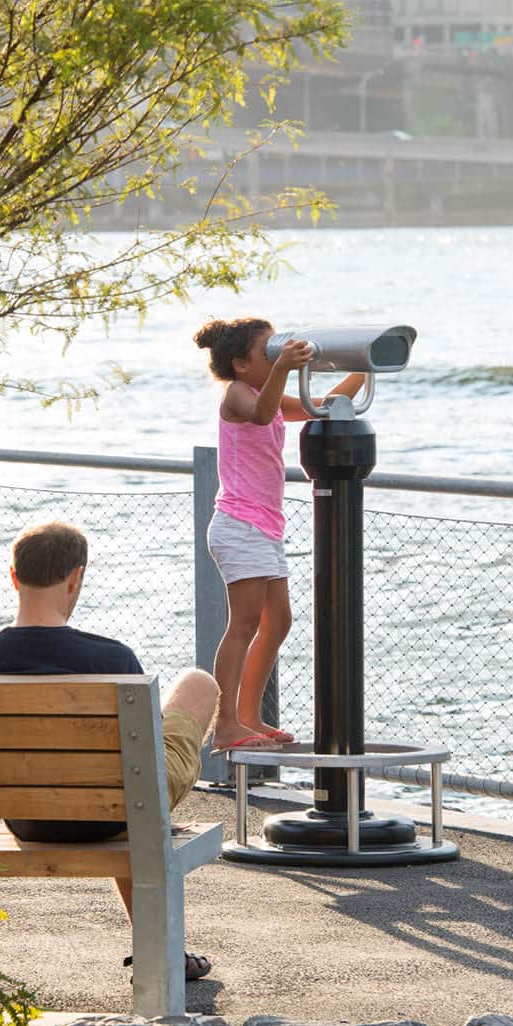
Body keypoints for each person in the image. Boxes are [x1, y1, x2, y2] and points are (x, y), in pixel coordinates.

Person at [0, 519, 219, 981]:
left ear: (12, 578)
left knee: (123, 787)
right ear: (75, 578)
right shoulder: (113, 660)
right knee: (197, 685)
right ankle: (160, 948)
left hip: (25, 816)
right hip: (112, 810)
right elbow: (143, 759)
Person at [194, 316, 368, 753]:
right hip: (239, 525)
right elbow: (262, 413)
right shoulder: (236, 394)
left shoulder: (260, 390)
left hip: (264, 528)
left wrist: (363, 368)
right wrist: (284, 367)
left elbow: (318, 405)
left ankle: (250, 715)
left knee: (278, 622)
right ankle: (227, 722)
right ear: (238, 363)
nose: (276, 355)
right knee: (244, 624)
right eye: (267, 350)